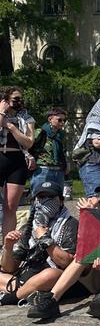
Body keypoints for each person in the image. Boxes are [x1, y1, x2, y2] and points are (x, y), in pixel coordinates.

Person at [26, 178, 100, 320]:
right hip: (99, 271)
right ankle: (52, 299)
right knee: (83, 255)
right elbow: (87, 243)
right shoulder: (99, 215)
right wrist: (89, 216)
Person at [0, 182, 77, 306]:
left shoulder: (70, 224)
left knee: (50, 275)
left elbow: (66, 263)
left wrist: (45, 239)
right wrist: (8, 247)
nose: (45, 201)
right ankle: (26, 292)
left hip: (55, 277)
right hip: (26, 276)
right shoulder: (29, 226)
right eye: (41, 198)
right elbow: (9, 268)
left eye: (50, 197)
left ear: (61, 200)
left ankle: (11, 297)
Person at [0, 86, 35, 237]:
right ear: (6, 100)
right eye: (15, 99)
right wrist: (1, 112)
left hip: (17, 161)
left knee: (11, 206)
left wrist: (11, 127)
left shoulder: (27, 118)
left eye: (21, 99)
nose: (19, 102)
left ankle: (7, 243)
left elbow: (28, 142)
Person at [29, 108, 68, 195]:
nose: (62, 122)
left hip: (59, 170)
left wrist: (66, 165)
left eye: (64, 120)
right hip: (42, 169)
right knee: (39, 196)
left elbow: (62, 151)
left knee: (57, 198)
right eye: (59, 120)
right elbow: (28, 147)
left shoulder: (61, 134)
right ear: (50, 119)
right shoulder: (40, 132)